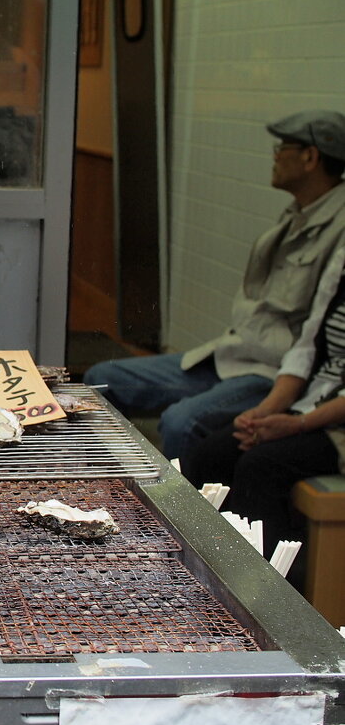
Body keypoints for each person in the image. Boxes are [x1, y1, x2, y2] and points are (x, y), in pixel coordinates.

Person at [84, 110, 345, 461]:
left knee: (182, 422)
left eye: (282, 147)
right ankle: (111, 482)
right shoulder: (300, 213)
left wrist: (275, 405)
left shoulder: (338, 228)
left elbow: (311, 341)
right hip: (234, 353)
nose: (274, 156)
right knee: (102, 378)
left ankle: (181, 513)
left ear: (310, 157)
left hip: (273, 372)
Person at [181, 242, 345, 569]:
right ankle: (199, 571)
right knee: (212, 450)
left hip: (337, 429)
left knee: (261, 466)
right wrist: (267, 411)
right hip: (313, 403)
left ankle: (269, 592)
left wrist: (297, 424)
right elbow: (306, 349)